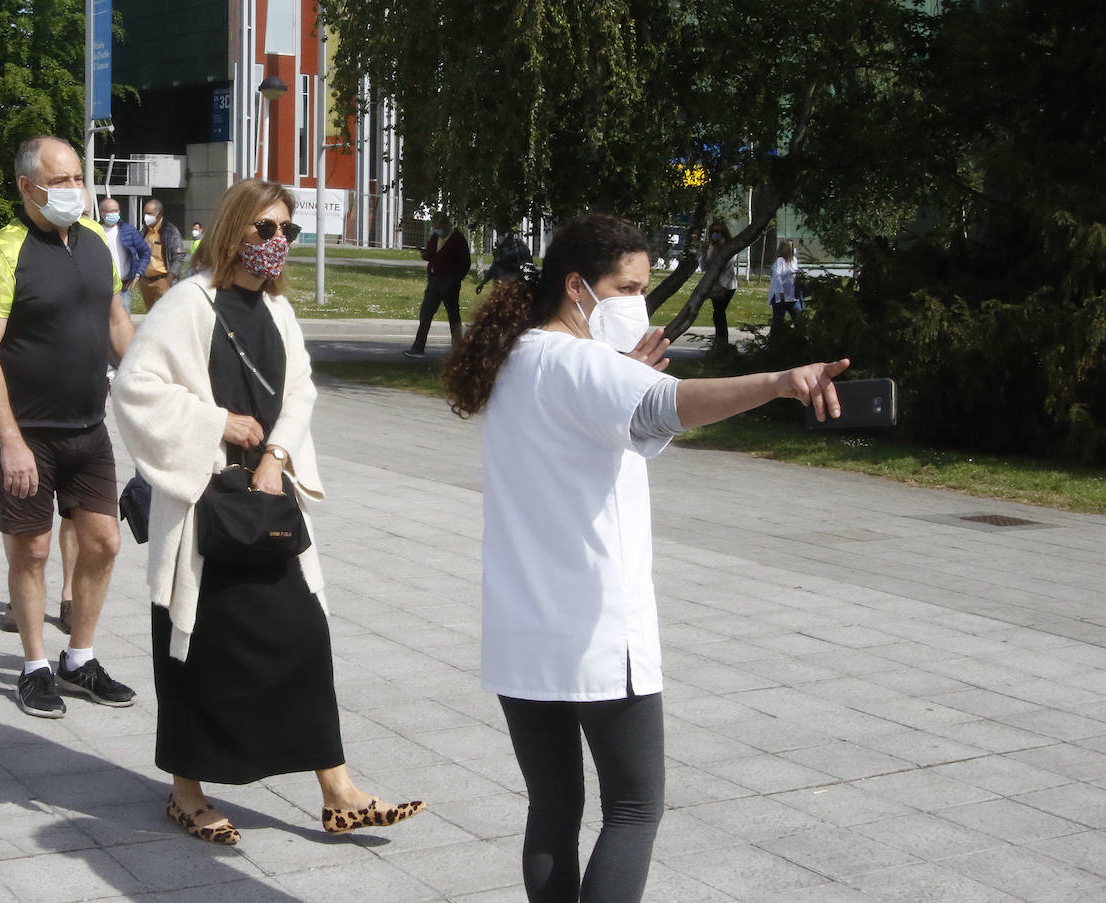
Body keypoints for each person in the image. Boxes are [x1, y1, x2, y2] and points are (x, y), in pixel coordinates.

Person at [444, 214, 848, 903]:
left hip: (522, 629)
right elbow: (670, 405)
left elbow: (595, 413)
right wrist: (780, 379)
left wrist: (619, 374)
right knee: (634, 808)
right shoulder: (584, 365)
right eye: (626, 286)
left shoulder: (521, 357)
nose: (637, 300)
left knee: (552, 808)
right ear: (577, 286)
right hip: (598, 630)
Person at [111, 178, 426, 846]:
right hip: (204, 506)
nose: (277, 242)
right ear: (234, 230)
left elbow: (302, 388)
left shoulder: (278, 312)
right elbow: (135, 388)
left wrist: (277, 453)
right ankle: (186, 791)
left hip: (268, 499)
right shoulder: (188, 305)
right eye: (265, 229)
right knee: (197, 645)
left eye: (288, 231)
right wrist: (216, 421)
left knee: (304, 635)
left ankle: (338, 791)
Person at [0, 136, 137, 719]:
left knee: (104, 542)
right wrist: (7, 440)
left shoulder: (95, 244)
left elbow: (117, 323)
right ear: (26, 187)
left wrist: (153, 386)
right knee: (33, 552)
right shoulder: (1, 253)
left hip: (89, 427)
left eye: (76, 179)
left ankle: (79, 659)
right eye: (59, 181)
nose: (73, 190)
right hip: (27, 434)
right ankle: (35, 665)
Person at [405, 211, 470, 357]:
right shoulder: (435, 237)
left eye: (439, 226)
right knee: (426, 313)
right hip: (435, 280)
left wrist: (456, 279)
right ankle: (418, 347)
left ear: (447, 225)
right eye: (435, 227)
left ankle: (458, 349)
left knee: (453, 315)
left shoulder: (457, 239)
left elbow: (465, 262)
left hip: (450, 281)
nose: (437, 229)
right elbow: (431, 254)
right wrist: (425, 254)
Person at [100, 198, 151, 313]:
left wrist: (138, 274)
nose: (114, 214)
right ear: (101, 212)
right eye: (110, 211)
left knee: (123, 321)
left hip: (124, 286)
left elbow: (145, 252)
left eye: (116, 211)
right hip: (101, 286)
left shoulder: (128, 230)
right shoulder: (95, 231)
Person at [138, 199, 184, 310]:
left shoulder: (170, 231)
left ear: (159, 214)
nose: (146, 217)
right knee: (150, 315)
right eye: (145, 213)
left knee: (163, 315)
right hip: (145, 281)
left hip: (162, 281)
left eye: (150, 214)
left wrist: (168, 280)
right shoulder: (144, 230)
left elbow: (178, 257)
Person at [701, 220, 740, 350]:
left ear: (723, 232)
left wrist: (721, 251)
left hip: (727, 285)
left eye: (718, 232)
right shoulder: (711, 247)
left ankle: (722, 343)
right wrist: (704, 253)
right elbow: (704, 267)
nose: (715, 235)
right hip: (714, 286)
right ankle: (720, 342)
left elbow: (726, 265)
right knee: (718, 314)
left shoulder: (730, 247)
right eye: (712, 232)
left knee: (719, 313)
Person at [769, 238, 804, 334]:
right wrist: (780, 292)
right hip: (781, 297)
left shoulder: (794, 261)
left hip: (793, 296)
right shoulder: (779, 262)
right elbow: (777, 277)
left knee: (799, 320)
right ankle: (773, 343)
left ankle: (801, 340)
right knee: (778, 321)